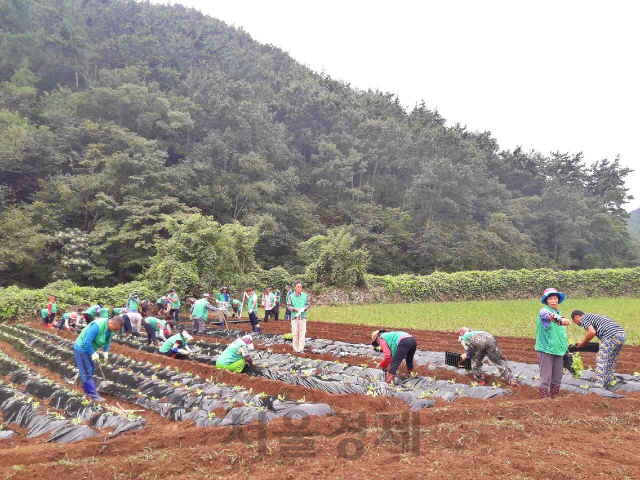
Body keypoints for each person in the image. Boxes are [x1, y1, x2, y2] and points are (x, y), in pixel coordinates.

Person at [570, 311, 626, 389]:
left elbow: (592, 332)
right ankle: (609, 379)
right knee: (611, 358)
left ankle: (599, 384)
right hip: (621, 334)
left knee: (601, 358)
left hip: (610, 335)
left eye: (574, 321)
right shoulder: (593, 316)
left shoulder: (584, 319)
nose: (576, 324)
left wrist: (583, 343)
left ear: (576, 317)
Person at [73, 315, 124, 402]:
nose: (115, 330)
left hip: (91, 348)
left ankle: (87, 388)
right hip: (82, 349)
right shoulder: (97, 326)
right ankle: (93, 395)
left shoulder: (110, 328)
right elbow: (86, 342)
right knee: (87, 371)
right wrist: (93, 353)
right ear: (111, 322)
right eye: (115, 328)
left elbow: (108, 339)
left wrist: (106, 351)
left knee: (92, 368)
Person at [536, 288, 571, 399]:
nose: (553, 301)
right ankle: (544, 400)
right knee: (546, 377)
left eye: (555, 298)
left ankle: (554, 398)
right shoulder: (543, 311)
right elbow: (549, 316)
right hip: (546, 349)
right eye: (550, 299)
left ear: (558, 300)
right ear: (546, 301)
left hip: (558, 350)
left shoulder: (558, 312)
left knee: (557, 377)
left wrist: (565, 349)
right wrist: (561, 319)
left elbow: (561, 334)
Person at [287, 281, 310, 353]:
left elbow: (308, 304)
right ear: (295, 287)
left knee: (302, 333)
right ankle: (295, 348)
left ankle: (301, 348)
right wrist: (294, 309)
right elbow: (288, 306)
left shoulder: (305, 295)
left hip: (302, 317)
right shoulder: (291, 296)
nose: (299, 288)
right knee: (295, 333)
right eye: (298, 287)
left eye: (301, 287)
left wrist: (303, 309)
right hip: (294, 317)